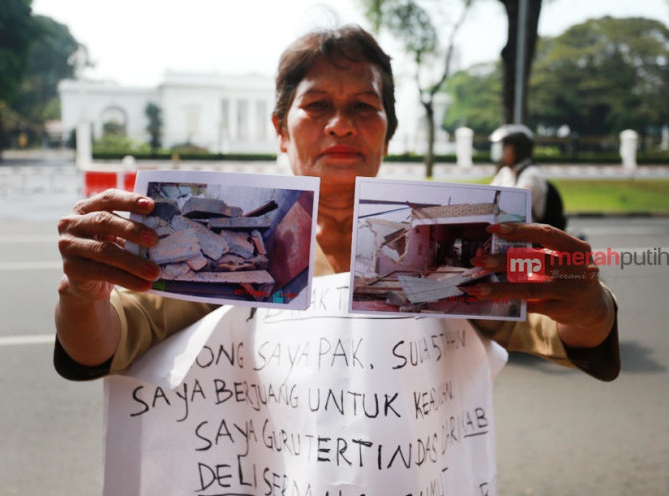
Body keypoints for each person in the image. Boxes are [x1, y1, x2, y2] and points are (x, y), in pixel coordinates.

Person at [54, 25, 619, 491]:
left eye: (364, 107)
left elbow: (565, 332)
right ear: (280, 128)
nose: (341, 125)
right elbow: (104, 344)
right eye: (317, 105)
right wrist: (82, 293)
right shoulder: (224, 237)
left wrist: (588, 302)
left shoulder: (441, 239)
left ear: (388, 133)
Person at [490, 124, 567, 230]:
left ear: (520, 150)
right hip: (509, 232)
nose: (503, 152)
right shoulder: (505, 172)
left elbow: (516, 207)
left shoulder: (531, 174)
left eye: (507, 148)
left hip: (530, 238)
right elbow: (489, 198)